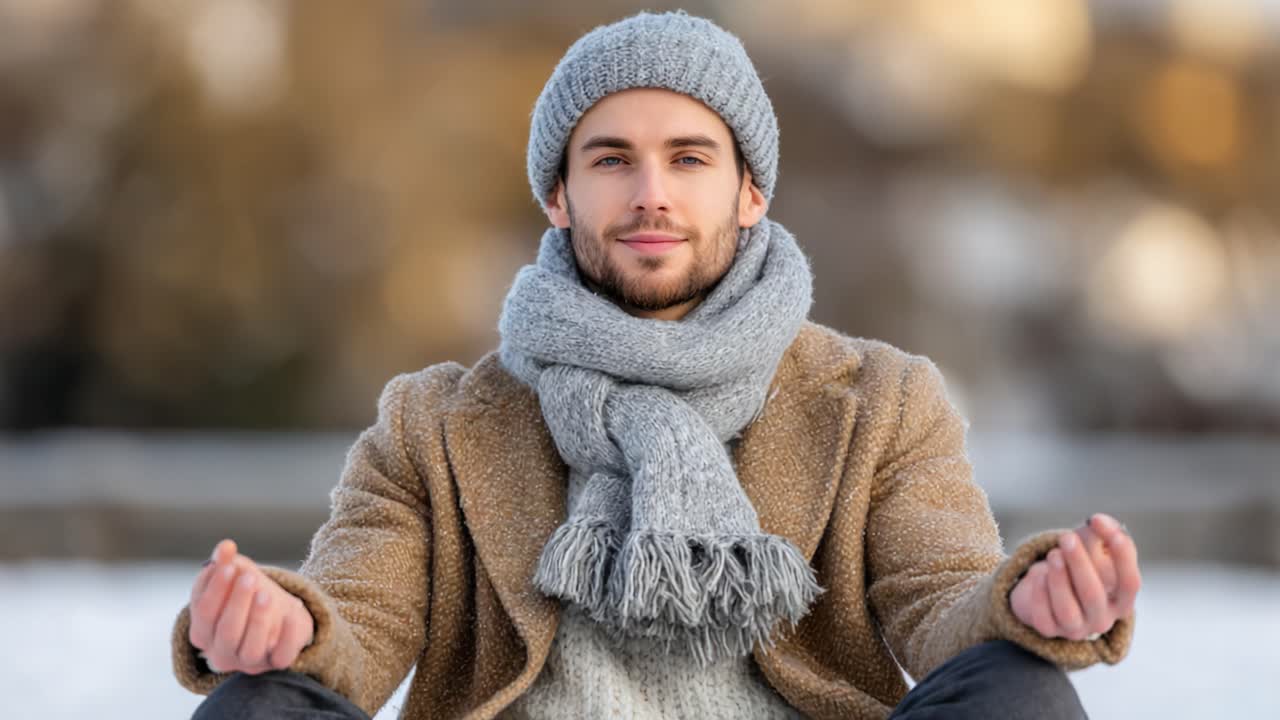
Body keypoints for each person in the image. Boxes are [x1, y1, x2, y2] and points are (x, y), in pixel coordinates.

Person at [172, 11, 1140, 720]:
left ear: (749, 191)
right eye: (609, 161)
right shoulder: (434, 425)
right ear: (557, 196)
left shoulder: (878, 402)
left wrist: (1018, 602)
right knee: (257, 705)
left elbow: (937, 601)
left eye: (687, 158)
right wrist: (287, 631)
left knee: (1020, 692)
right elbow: (362, 617)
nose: (649, 195)